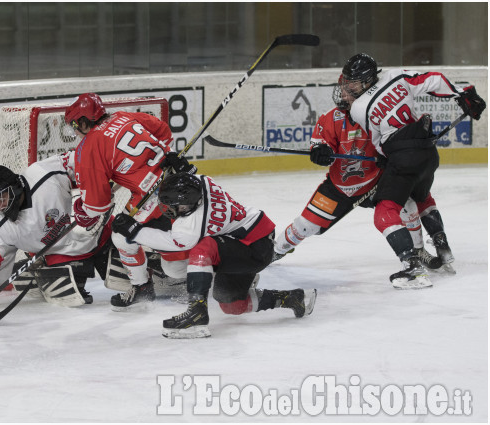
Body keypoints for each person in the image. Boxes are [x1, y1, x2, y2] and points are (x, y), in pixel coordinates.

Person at [112, 172, 317, 339]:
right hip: (246, 240)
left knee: (204, 248)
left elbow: (173, 242)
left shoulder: (191, 228)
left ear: (186, 205)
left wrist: (134, 231)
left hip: (255, 247)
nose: (167, 209)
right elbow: (188, 178)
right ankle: (292, 298)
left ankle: (197, 313)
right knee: (232, 305)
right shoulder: (203, 181)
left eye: (172, 206)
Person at [273, 79, 443, 280]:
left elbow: (399, 144)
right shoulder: (331, 118)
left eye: (349, 90)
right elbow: (320, 142)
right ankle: (276, 250)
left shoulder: (379, 116)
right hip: (340, 188)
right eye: (342, 90)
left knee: (407, 201)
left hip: (376, 182)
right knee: (304, 226)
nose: (343, 95)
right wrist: (320, 151)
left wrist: (391, 156)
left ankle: (417, 251)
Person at [340, 53, 485, 287]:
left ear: (367, 80)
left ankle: (413, 267)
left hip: (402, 156)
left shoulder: (358, 108)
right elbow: (435, 80)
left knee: (384, 211)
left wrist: (387, 163)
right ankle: (442, 246)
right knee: (421, 196)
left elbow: (379, 143)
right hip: (427, 152)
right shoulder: (395, 76)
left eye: (353, 81)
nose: (349, 85)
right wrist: (462, 93)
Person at [0, 151, 114, 313]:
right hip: (58, 253)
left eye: (2, 197)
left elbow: (85, 161)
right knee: (62, 292)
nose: (0, 205)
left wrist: (98, 191)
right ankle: (50, 270)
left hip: (96, 233)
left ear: (16, 187)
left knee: (121, 274)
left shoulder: (43, 174)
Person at [64, 92, 195, 310]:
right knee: (185, 242)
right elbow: (163, 131)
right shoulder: (123, 116)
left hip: (157, 199)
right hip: (182, 180)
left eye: (74, 125)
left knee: (122, 235)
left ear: (84, 121)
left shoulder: (87, 147)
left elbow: (98, 206)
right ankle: (214, 258)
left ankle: (142, 286)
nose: (75, 131)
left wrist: (83, 209)